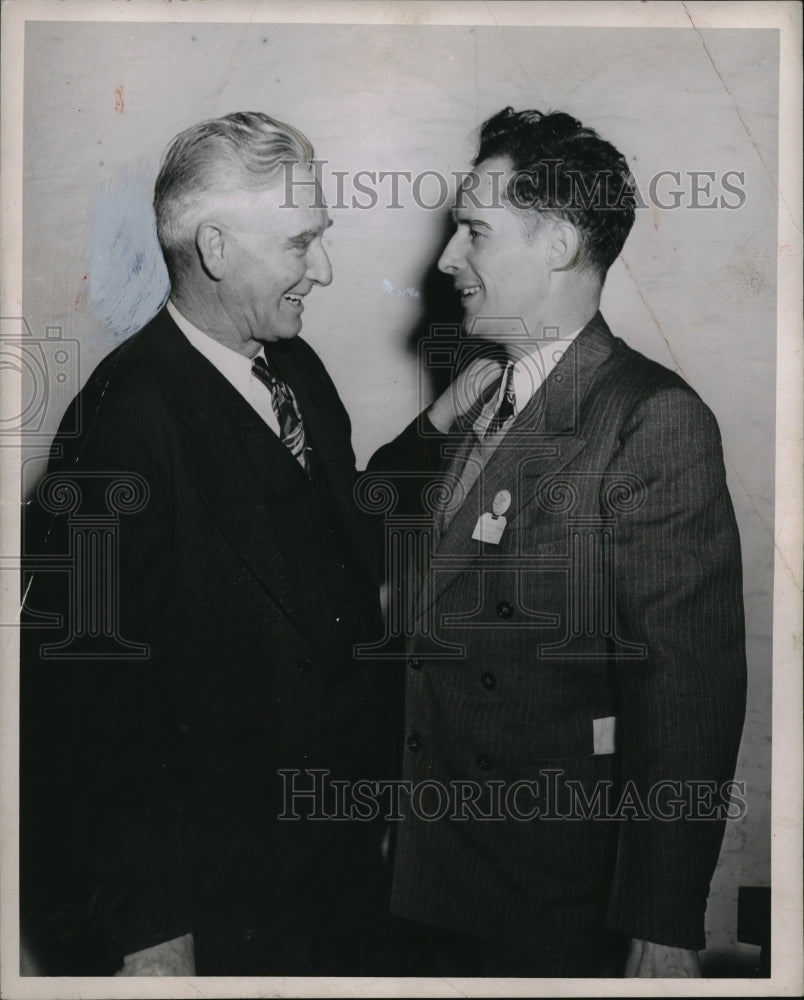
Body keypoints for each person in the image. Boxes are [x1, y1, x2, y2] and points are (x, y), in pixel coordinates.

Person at [368, 107, 747, 977]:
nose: (445, 261)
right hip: (430, 877)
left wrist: (661, 923)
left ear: (562, 242)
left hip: (545, 906)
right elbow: (375, 516)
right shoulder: (490, 394)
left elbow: (686, 692)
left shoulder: (651, 419)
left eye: (473, 231)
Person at [21, 112, 400, 977]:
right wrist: (149, 929)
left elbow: (329, 541)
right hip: (215, 902)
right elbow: (82, 709)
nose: (327, 269)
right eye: (304, 242)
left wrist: (440, 428)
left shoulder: (293, 366)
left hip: (332, 866)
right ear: (218, 247)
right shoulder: (117, 429)